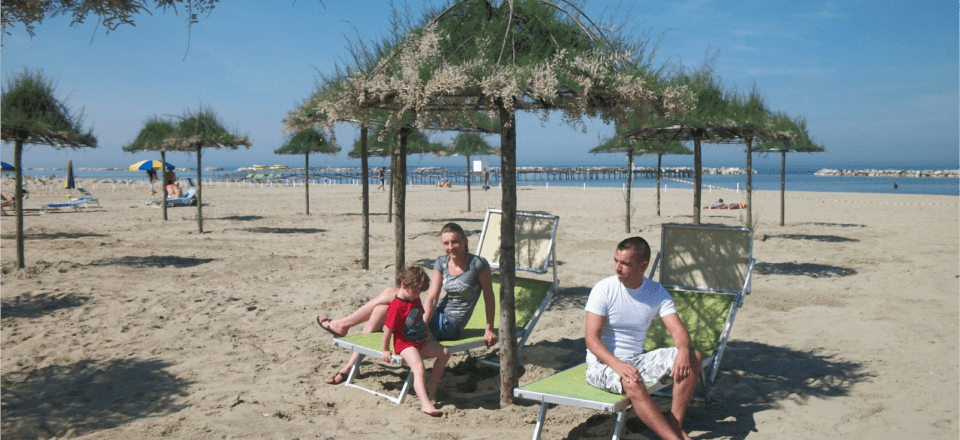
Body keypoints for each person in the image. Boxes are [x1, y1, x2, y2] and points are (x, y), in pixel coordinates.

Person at [316, 222, 497, 384]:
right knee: (381, 310)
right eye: (446, 243)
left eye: (455, 242)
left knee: (389, 292)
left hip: (451, 325)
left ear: (465, 240)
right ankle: (351, 366)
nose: (450, 247)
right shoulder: (442, 262)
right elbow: (432, 298)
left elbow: (489, 297)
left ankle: (343, 326)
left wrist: (488, 328)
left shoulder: (478, 265)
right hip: (435, 315)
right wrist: (422, 324)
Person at [584, 237, 701, 440]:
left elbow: (679, 331)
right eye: (616, 260)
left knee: (693, 357)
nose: (617, 268)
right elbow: (591, 339)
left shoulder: (655, 291)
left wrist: (683, 351)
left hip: (637, 360)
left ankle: (675, 426)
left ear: (642, 266)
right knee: (631, 380)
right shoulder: (603, 289)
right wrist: (619, 366)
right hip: (602, 365)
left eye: (625, 263)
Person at [381, 266, 450, 417]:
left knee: (444, 353)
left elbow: (419, 318)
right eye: (415, 291)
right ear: (403, 284)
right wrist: (385, 349)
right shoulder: (396, 306)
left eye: (419, 292)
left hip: (419, 339)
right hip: (404, 343)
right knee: (419, 367)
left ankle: (432, 386)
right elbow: (388, 329)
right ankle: (425, 404)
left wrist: (426, 331)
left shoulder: (415, 299)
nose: (417, 295)